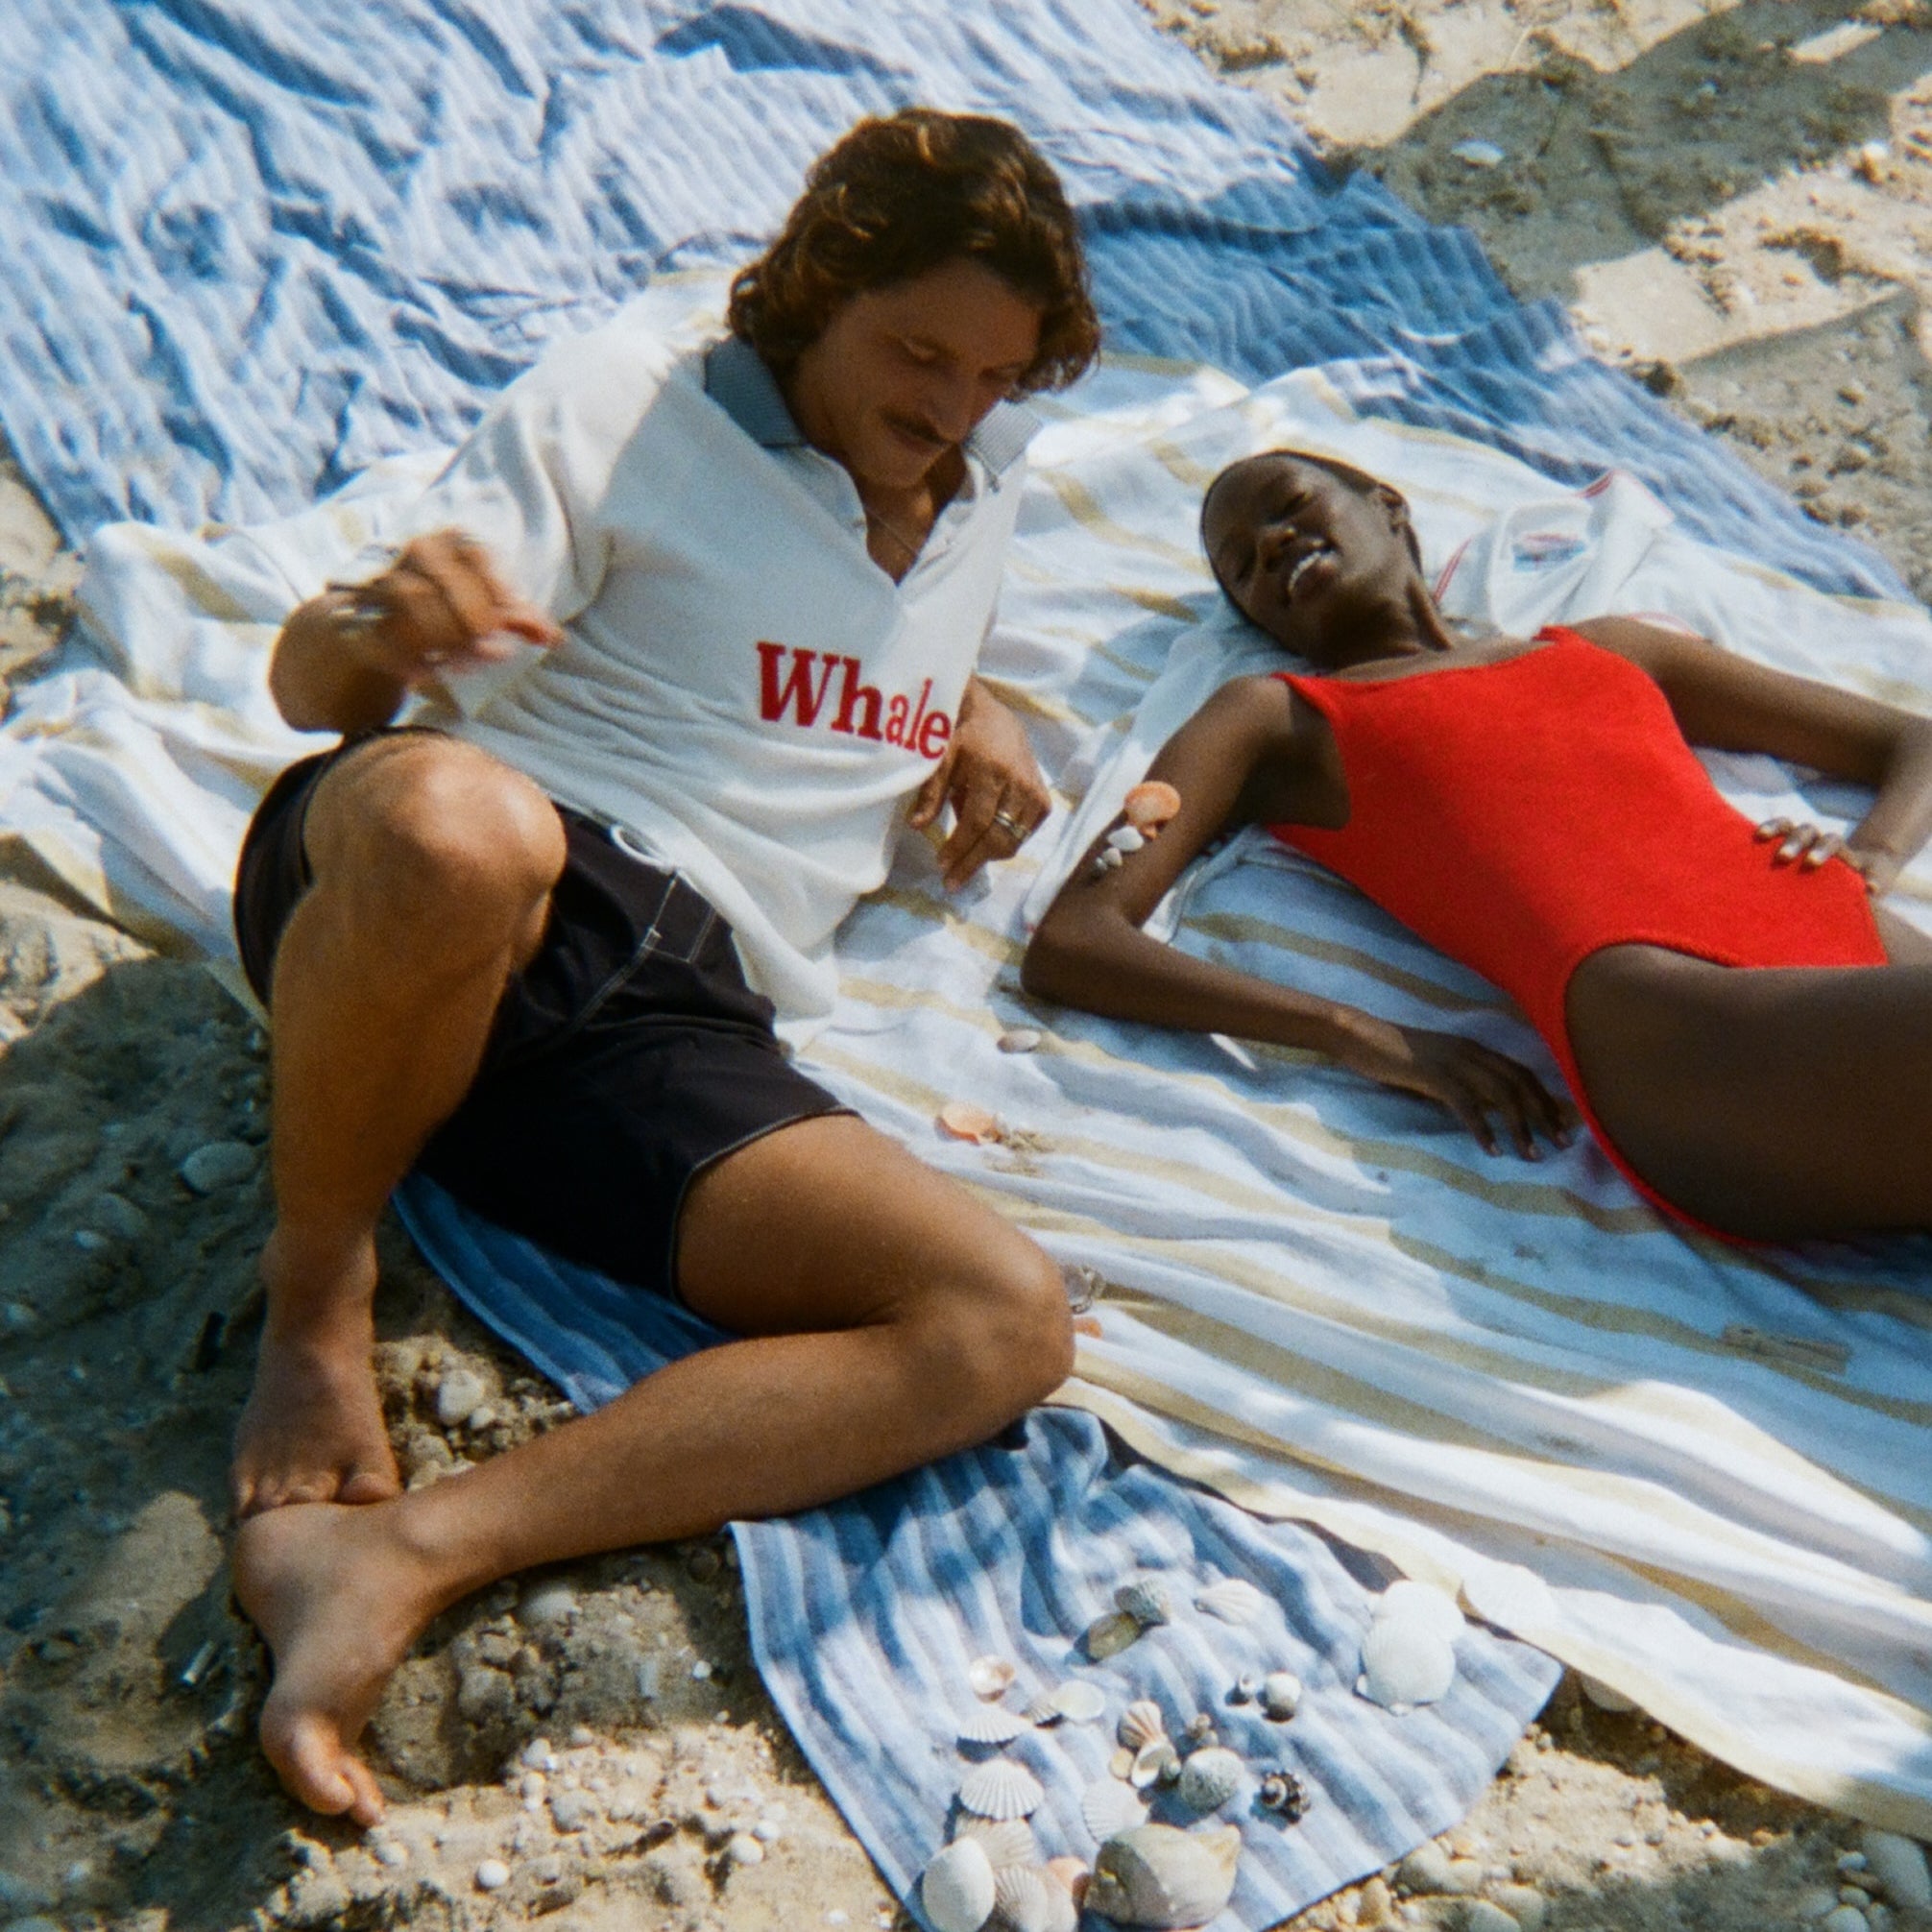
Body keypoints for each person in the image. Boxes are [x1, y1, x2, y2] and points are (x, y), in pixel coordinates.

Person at [229, 109, 1101, 1824]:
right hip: (465, 878)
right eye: (916, 350)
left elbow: (887, 632)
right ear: (813, 291)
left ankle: (402, 1555)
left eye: (993, 377)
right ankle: (316, 1292)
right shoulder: (639, 397)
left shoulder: (973, 490)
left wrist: (972, 705)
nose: (946, 406)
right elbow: (305, 690)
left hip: (668, 1011)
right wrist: (377, 632)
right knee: (462, 831)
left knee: (999, 1323)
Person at [1024, 447, 1932, 1240]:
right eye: (1244, 566)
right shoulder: (1279, 721)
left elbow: (1913, 739)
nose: (1271, 546)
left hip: (1846, 945)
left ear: (1387, 503)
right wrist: (1350, 1031)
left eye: (1292, 507)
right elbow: (1076, 939)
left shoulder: (1614, 649)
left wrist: (1874, 855)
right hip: (1681, 1027)